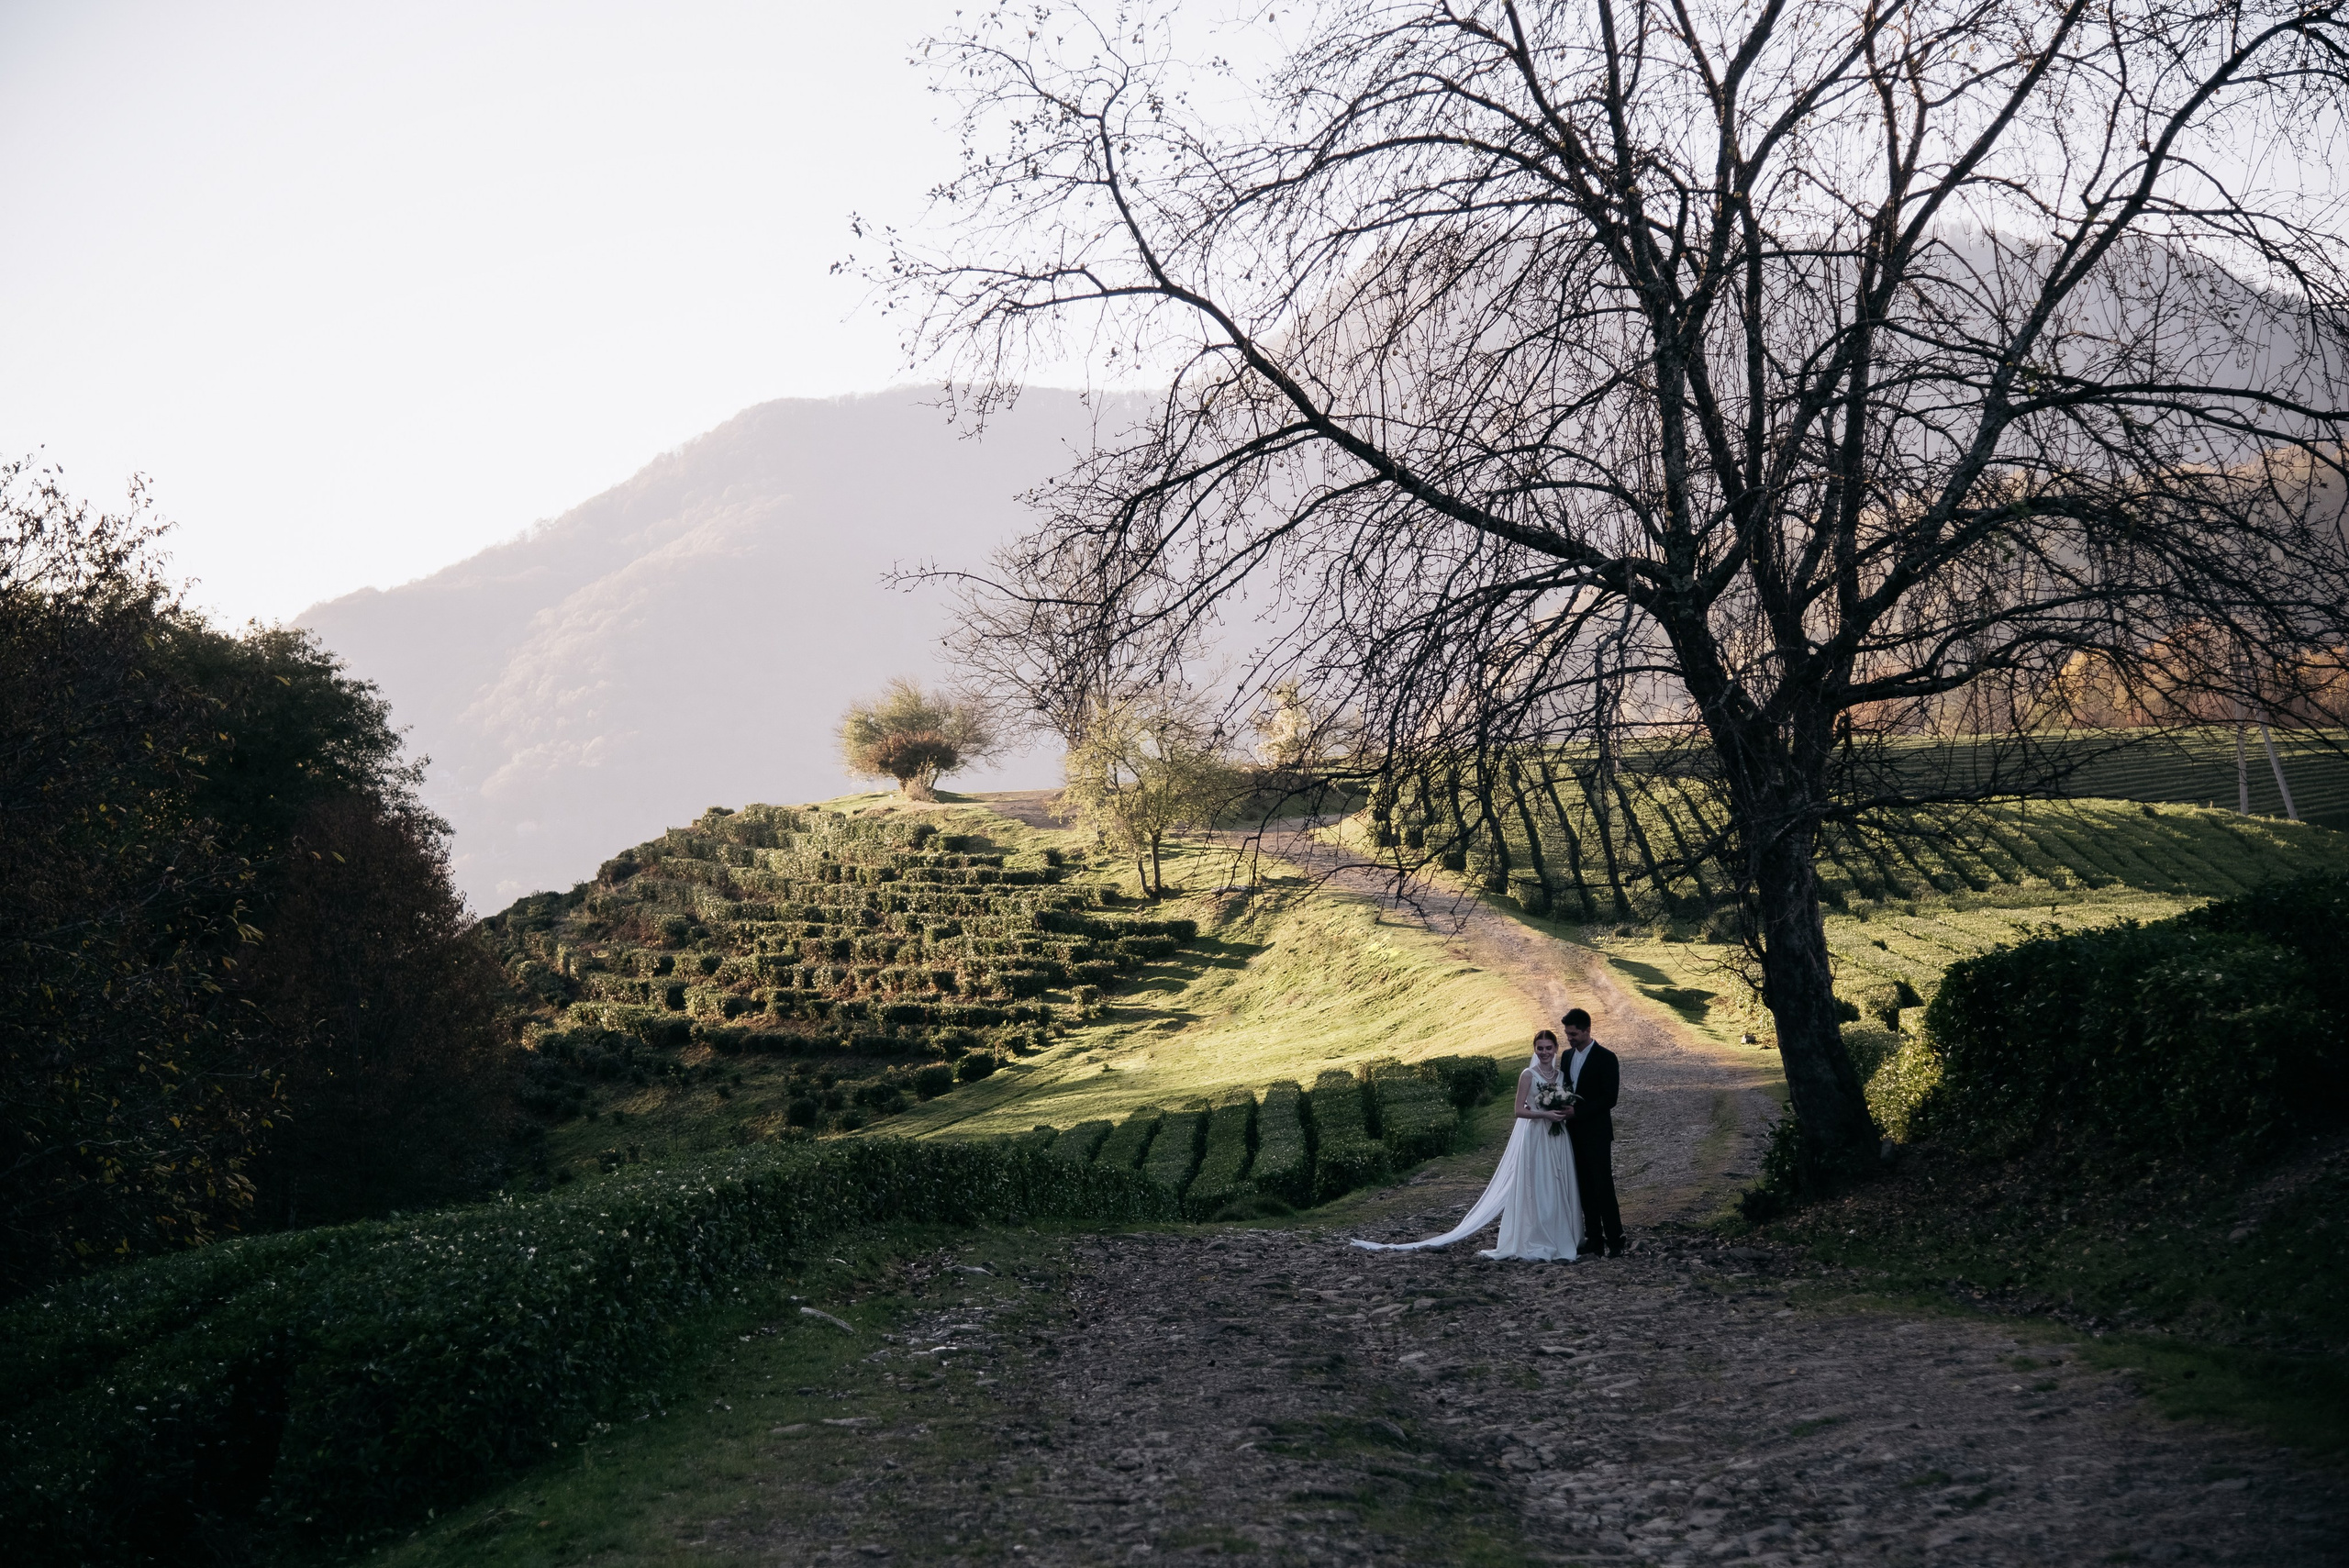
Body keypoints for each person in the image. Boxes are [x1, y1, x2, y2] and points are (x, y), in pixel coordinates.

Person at [1350, 1029, 1582, 1260]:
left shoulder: (1561, 1076)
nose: (1544, 1052)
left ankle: (1559, 1233)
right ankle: (1537, 1236)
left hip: (1558, 1136)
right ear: (1534, 1049)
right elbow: (1518, 1110)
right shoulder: (1528, 1075)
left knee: (1558, 1182)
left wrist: (1561, 1113)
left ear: (1555, 1049)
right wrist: (1544, 1115)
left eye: (1548, 1048)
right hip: (1536, 1135)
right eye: (1540, 1048)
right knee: (1539, 1184)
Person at [1560, 1007, 1624, 1257]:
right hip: (1573, 1133)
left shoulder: (1606, 1058)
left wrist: (1578, 1112)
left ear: (1587, 1030)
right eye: (1567, 1034)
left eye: (1574, 1034)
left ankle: (1616, 1240)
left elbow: (1610, 1098)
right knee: (1584, 1187)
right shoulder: (1566, 1056)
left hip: (1597, 1133)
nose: (1569, 1038)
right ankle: (1594, 1240)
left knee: (1603, 1186)